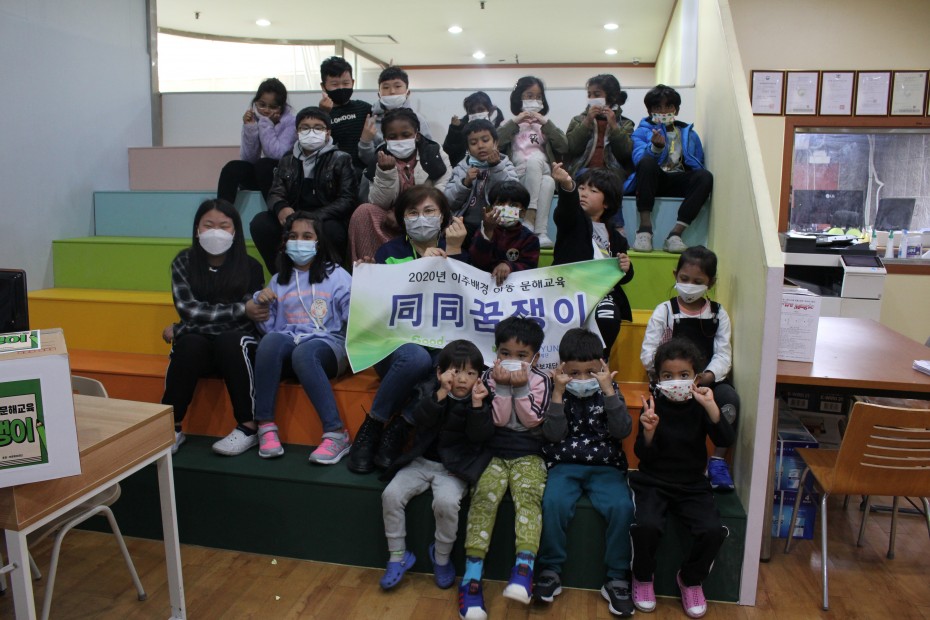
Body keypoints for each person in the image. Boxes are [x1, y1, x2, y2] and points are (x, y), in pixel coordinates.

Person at [348, 186, 470, 474]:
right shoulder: (389, 252)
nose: (421, 218)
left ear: (444, 217)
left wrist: (453, 252)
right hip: (394, 348)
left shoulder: (459, 248)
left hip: (439, 344)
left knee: (452, 364)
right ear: (402, 219)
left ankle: (401, 426)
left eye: (429, 211)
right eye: (413, 213)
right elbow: (379, 308)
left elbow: (465, 300)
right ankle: (373, 425)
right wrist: (371, 275)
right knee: (415, 357)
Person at [630, 338, 735, 618]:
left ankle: (690, 579)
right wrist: (648, 432)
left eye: (684, 375)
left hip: (692, 484)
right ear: (658, 378)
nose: (676, 381)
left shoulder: (701, 404)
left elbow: (725, 439)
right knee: (646, 526)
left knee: (712, 531)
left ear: (696, 378)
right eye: (668, 376)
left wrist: (711, 407)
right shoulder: (652, 405)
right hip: (653, 481)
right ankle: (643, 577)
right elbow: (642, 454)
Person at [378, 340, 493, 591]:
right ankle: (397, 555)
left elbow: (480, 437)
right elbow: (421, 419)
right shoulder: (430, 390)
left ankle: (441, 558)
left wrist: (477, 405)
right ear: (440, 372)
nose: (462, 379)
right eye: (455, 371)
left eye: (470, 373)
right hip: (421, 462)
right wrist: (440, 393)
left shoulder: (481, 400)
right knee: (391, 495)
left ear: (479, 377)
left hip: (454, 469)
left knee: (446, 504)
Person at [535, 328, 635, 616]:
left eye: (589, 372)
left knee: (621, 506)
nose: (581, 379)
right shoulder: (555, 390)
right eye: (573, 373)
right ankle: (550, 570)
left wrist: (608, 391)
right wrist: (557, 393)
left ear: (602, 367)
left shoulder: (610, 390)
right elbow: (553, 435)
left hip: (605, 466)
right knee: (553, 503)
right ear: (562, 369)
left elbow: (622, 430)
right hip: (564, 464)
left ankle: (617, 577)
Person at [458, 317, 552, 619]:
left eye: (522, 355)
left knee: (529, 497)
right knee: (483, 497)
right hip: (493, 452)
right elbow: (497, 421)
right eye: (505, 353)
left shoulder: (542, 380)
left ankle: (524, 569)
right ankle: (471, 578)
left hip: (530, 453)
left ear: (535, 357)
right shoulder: (487, 377)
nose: (512, 360)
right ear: (496, 352)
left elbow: (532, 420)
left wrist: (520, 387)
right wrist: (501, 386)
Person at [161, 199, 266, 456]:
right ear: (197, 229)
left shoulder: (251, 266)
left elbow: (248, 318)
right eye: (208, 225)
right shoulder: (184, 262)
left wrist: (183, 328)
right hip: (200, 348)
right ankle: (170, 428)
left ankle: (248, 427)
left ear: (235, 230)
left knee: (230, 339)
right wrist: (238, 309)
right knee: (189, 344)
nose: (215, 231)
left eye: (224, 225)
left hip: (236, 350)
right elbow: (189, 310)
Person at [249, 211, 353, 463]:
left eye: (307, 236)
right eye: (293, 236)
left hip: (329, 345)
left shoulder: (337, 275)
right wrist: (261, 304)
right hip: (289, 343)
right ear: (285, 243)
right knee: (270, 342)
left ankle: (336, 433)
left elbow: (353, 315)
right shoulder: (278, 280)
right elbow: (270, 327)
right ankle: (265, 426)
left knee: (304, 353)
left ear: (319, 242)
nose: (300, 242)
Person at [640, 246, 739, 491]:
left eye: (698, 281)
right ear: (676, 275)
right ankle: (665, 458)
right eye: (684, 279)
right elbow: (648, 353)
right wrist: (670, 376)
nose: (689, 286)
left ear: (710, 283)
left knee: (729, 399)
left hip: (705, 382)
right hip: (670, 381)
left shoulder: (718, 314)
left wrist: (706, 377)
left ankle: (717, 460)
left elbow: (723, 354)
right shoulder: (665, 310)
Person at [250, 106, 358, 272]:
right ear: (297, 132)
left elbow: (347, 199)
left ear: (328, 133)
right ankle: (282, 274)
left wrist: (313, 217)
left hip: (326, 217)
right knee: (261, 223)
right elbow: (275, 192)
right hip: (294, 215)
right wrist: (281, 208)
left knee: (333, 231)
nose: (311, 132)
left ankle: (327, 275)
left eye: (318, 128)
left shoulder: (341, 159)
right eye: (305, 128)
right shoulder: (287, 159)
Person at [550, 162, 634, 359]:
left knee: (609, 316)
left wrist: (626, 268)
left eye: (593, 190)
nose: (584, 193)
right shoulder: (572, 222)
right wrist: (567, 185)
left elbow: (623, 277)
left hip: (601, 294)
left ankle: (600, 362)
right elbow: (565, 210)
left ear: (607, 203)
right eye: (581, 188)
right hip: (568, 290)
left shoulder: (617, 238)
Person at [348, 108, 451, 263]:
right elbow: (378, 203)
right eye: (392, 137)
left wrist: (406, 215)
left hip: (426, 216)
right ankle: (372, 266)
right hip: (390, 221)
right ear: (385, 139)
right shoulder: (380, 157)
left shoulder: (435, 153)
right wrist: (386, 173)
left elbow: (442, 192)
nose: (400, 140)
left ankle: (428, 260)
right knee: (363, 211)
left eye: (405, 135)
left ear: (416, 135)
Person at [629, 85, 713, 254]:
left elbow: (698, 161)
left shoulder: (689, 133)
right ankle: (644, 230)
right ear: (650, 111)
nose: (663, 111)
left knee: (705, 176)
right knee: (646, 162)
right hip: (653, 179)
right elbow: (638, 160)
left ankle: (675, 235)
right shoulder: (642, 131)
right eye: (657, 107)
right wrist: (655, 148)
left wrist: (697, 183)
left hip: (678, 178)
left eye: (668, 106)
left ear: (676, 109)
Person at [496, 76, 568, 248]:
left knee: (535, 159)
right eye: (529, 96)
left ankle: (529, 216)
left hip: (542, 167)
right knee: (548, 182)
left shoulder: (545, 126)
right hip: (518, 174)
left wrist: (546, 123)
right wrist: (515, 121)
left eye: (538, 97)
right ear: (519, 98)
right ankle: (540, 232)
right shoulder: (509, 124)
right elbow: (495, 142)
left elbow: (564, 146)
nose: (534, 100)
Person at [217, 78, 296, 206]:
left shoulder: (291, 122)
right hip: (262, 175)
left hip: (283, 177)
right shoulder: (255, 119)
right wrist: (250, 127)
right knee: (232, 167)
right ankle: (222, 213)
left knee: (264, 164)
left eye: (273, 107)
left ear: (281, 107)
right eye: (262, 104)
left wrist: (266, 124)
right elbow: (249, 159)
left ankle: (277, 211)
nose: (266, 110)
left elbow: (277, 155)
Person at [443, 119, 519, 238]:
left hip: (497, 225)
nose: (480, 146)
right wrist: (465, 183)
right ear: (467, 148)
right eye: (473, 143)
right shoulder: (461, 168)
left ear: (496, 142)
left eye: (485, 140)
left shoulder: (505, 164)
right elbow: (449, 202)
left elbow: (514, 195)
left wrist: (496, 167)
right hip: (466, 225)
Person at [358, 65, 433, 169]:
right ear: (379, 94)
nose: (392, 91)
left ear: (408, 92)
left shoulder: (418, 120)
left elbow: (429, 153)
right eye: (386, 87)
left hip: (415, 174)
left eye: (397, 86)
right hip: (380, 174)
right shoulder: (371, 123)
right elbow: (368, 160)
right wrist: (365, 141)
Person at [565, 74, 635, 184]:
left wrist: (614, 126)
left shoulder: (626, 124)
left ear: (612, 97)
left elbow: (625, 154)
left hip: (611, 175)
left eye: (597, 94)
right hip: (582, 172)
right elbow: (572, 148)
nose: (592, 98)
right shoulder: (578, 120)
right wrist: (587, 121)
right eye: (589, 95)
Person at [468, 180, 540, 286]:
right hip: (484, 288)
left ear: (523, 212)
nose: (506, 208)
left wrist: (509, 266)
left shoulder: (529, 239)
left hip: (513, 290)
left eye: (513, 205)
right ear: (491, 208)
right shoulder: (483, 231)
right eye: (500, 204)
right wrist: (488, 232)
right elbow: (477, 262)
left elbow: (530, 268)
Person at [317, 56, 372, 178]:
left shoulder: (364, 108)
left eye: (346, 83)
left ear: (353, 83)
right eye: (334, 84)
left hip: (363, 175)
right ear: (323, 86)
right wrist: (323, 114)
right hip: (333, 175)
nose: (341, 88)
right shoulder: (318, 115)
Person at [442, 91, 505, 167]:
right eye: (472, 111)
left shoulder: (501, 126)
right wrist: (455, 130)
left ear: (490, 110)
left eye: (481, 110)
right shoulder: (461, 128)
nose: (476, 114)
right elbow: (448, 155)